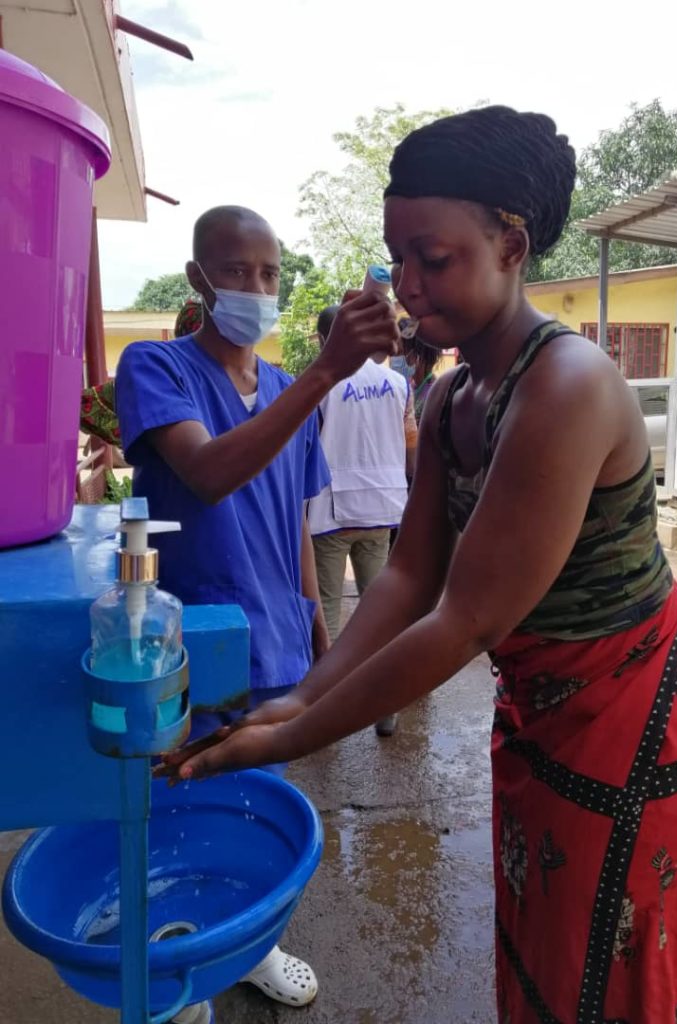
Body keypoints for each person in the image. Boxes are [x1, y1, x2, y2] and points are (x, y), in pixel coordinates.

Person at [159, 113, 677, 1023]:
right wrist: (303, 692)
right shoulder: (446, 397)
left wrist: (290, 738)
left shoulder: (565, 386)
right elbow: (407, 578)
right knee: (553, 952)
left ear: (511, 245)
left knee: (622, 972)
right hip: (544, 709)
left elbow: (466, 619)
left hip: (637, 712)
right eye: (397, 258)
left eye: (431, 259)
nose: (406, 284)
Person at [116, 204, 398, 1013]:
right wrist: (324, 372)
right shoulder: (157, 367)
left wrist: (316, 625)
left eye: (269, 272)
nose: (256, 286)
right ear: (198, 279)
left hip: (275, 645)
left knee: (250, 809)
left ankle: (245, 946)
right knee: (177, 807)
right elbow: (208, 473)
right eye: (236, 271)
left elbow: (297, 520)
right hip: (187, 645)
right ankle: (180, 963)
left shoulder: (285, 393)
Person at [308, 304, 416, 737]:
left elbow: (304, 447)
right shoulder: (398, 384)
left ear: (325, 340)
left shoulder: (321, 384)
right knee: (381, 614)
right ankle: (385, 709)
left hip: (333, 510)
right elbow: (411, 445)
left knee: (327, 613)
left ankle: (323, 713)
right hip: (384, 508)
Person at [402, 334, 441, 424]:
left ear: (416, 357)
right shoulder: (409, 385)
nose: (398, 358)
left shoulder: (433, 394)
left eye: (403, 353)